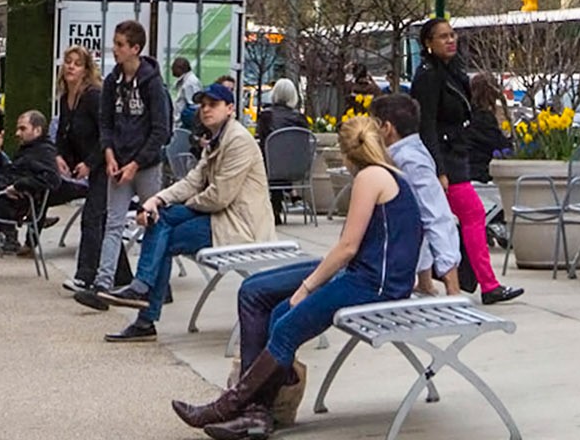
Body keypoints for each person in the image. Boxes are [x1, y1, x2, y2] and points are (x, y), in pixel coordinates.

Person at [177, 114, 424, 440]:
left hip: (371, 284)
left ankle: (230, 405)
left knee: (285, 324)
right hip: (372, 277)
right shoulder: (394, 176)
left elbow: (347, 247)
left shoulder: (370, 178)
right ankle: (256, 410)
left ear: (346, 153)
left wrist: (308, 287)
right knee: (270, 304)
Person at [84, 80, 273, 340]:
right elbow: (192, 182)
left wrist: (175, 205)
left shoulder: (238, 141)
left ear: (230, 108)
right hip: (219, 216)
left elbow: (219, 197)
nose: (205, 110)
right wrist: (157, 201)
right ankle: (142, 296)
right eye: (203, 105)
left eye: (213, 105)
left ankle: (144, 311)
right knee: (159, 220)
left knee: (166, 236)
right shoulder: (217, 138)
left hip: (239, 226)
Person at [408, 18, 519, 306]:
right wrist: (439, 169)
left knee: (438, 220)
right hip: (443, 157)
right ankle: (484, 283)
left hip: (456, 153)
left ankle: (461, 281)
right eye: (442, 37)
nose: (450, 40)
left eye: (452, 35)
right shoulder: (428, 76)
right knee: (468, 215)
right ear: (428, 44)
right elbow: (426, 125)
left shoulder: (452, 72)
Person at [98, 20, 172, 292]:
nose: (114, 50)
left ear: (135, 48)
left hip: (146, 164)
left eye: (120, 45)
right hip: (118, 161)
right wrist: (109, 153)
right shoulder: (112, 81)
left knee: (152, 222)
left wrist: (137, 162)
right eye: (114, 44)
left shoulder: (152, 84)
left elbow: (160, 130)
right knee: (113, 223)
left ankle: (155, 283)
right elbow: (105, 122)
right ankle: (103, 281)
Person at [374, 93, 467, 296]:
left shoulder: (410, 159)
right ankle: (425, 283)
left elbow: (436, 215)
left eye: (375, 125)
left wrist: (453, 290)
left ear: (387, 128)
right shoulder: (405, 153)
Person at [52, 44, 107, 293]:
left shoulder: (94, 97)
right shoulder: (66, 99)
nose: (71, 66)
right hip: (85, 164)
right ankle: (123, 275)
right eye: (68, 61)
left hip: (105, 165)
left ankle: (85, 275)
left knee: (92, 218)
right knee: (103, 222)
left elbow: (106, 134)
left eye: (77, 63)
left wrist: (90, 163)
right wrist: (60, 155)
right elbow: (64, 133)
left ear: (86, 70)